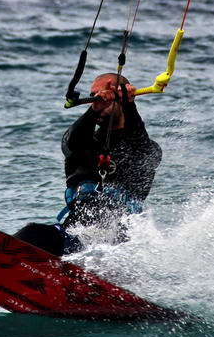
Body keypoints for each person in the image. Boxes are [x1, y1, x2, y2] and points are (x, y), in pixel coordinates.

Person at [14, 73, 162, 256]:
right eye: (94, 95)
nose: (99, 99)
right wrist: (95, 109)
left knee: (107, 256)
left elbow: (144, 150)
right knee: (33, 234)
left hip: (120, 249)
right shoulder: (84, 144)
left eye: (105, 95)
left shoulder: (145, 148)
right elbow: (72, 142)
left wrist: (129, 107)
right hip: (77, 238)